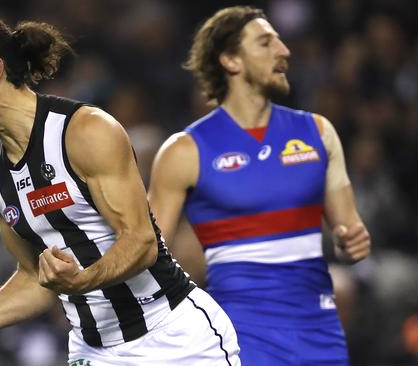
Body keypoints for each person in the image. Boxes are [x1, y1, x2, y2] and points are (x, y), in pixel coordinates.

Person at [0, 13, 241, 366]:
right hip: (93, 351)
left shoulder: (85, 131)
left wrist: (82, 280)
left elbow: (141, 240)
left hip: (174, 338)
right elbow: (33, 277)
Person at [148, 6, 371, 366]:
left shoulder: (319, 133)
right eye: (266, 43)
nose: (284, 51)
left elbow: (351, 238)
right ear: (231, 60)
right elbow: (148, 253)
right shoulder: (184, 151)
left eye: (279, 41)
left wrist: (352, 243)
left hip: (321, 332)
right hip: (241, 337)